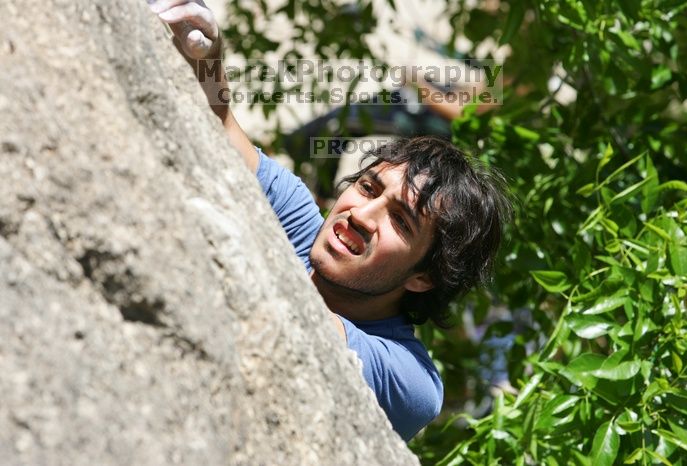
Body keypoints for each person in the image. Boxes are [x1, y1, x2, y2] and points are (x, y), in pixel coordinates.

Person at [147, 0, 512, 441]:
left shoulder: (409, 379)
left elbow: (302, 325)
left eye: (400, 220)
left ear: (424, 276)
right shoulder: (304, 226)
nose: (361, 214)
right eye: (369, 188)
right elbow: (220, 126)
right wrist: (206, 58)